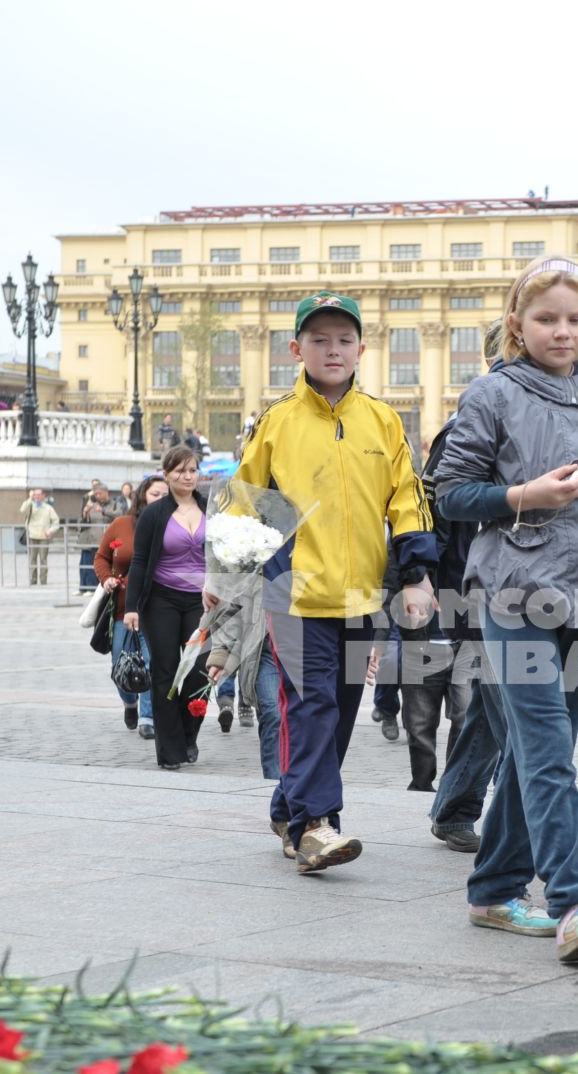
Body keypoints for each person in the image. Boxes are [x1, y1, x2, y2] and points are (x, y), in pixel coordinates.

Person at [432, 256, 578, 962]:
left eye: (576, 319)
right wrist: (525, 494)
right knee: (549, 746)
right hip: (513, 593)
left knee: (537, 753)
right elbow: (451, 490)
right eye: (546, 318)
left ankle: (493, 887)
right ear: (517, 326)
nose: (562, 331)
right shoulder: (492, 394)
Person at [235, 291, 439, 872]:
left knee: (341, 712)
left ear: (361, 349)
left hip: (361, 596)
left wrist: (417, 577)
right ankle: (316, 827)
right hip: (293, 592)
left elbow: (408, 501)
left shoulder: (382, 419)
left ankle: (288, 805)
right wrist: (225, 575)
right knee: (312, 704)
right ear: (296, 349)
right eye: (319, 339)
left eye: (344, 339)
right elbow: (242, 504)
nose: (333, 349)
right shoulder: (275, 422)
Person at [426, 321, 508, 854]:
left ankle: (454, 806)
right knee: (507, 701)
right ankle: (547, 816)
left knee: (488, 702)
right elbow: (434, 506)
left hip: (522, 583)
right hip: (474, 584)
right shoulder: (469, 420)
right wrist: (426, 582)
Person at [123, 448, 211, 769]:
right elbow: (140, 560)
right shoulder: (155, 513)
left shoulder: (210, 509)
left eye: (192, 470)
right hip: (160, 600)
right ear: (166, 473)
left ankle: (189, 735)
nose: (187, 476)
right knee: (166, 673)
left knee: (198, 674)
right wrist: (131, 606)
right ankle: (170, 752)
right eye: (179, 471)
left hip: (201, 602)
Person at [97, 477, 164, 737]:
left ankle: (148, 718)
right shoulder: (121, 524)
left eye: (164, 495)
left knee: (150, 663)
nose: (160, 499)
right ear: (142, 496)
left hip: (156, 608)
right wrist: (107, 579)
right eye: (155, 494)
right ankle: (129, 702)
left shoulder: (170, 524)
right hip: (123, 608)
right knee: (119, 664)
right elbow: (101, 556)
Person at [19, 487, 61, 586]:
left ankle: (43, 581)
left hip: (44, 537)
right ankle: (33, 580)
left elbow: (56, 521)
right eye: (35, 495)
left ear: (43, 496)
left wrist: (50, 530)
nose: (37, 497)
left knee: (43, 559)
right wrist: (30, 498)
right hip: (32, 536)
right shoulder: (30, 505)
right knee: (32, 559)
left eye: (39, 495)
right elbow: (22, 510)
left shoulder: (48, 508)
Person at [77, 484, 113, 593]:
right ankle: (84, 587)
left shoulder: (113, 504)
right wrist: (85, 512)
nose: (97, 496)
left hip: (102, 540)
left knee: (96, 564)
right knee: (84, 564)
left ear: (106, 492)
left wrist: (102, 510)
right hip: (88, 539)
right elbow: (83, 523)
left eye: (99, 493)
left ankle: (93, 588)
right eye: (95, 494)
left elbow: (119, 515)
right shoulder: (92, 505)